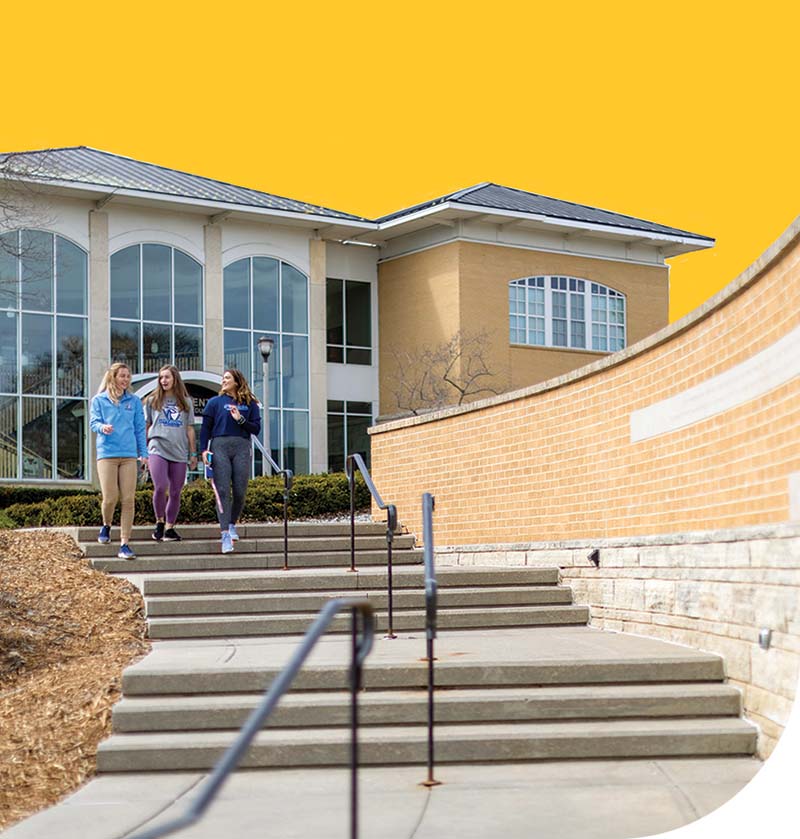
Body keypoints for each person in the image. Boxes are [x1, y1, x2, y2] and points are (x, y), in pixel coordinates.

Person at [89, 362, 148, 559]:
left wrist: (144, 453)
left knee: (128, 499)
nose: (125, 379)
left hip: (129, 455)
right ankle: (106, 525)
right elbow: (93, 422)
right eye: (122, 376)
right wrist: (102, 427)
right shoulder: (99, 400)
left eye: (128, 376)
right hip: (107, 454)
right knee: (110, 497)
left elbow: (140, 428)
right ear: (113, 377)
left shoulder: (134, 401)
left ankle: (124, 543)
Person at [200, 369, 261, 553]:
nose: (223, 381)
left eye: (227, 378)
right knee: (223, 490)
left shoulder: (251, 404)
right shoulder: (214, 403)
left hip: (242, 446)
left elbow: (255, 429)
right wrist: (204, 450)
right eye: (223, 378)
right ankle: (225, 533)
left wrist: (240, 419)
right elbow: (205, 429)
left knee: (241, 490)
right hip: (220, 446)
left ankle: (232, 522)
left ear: (236, 381)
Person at [144, 365, 198, 542]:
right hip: (157, 446)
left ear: (175, 379)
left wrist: (193, 453)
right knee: (160, 486)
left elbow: (190, 428)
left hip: (179, 451)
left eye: (167, 377)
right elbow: (147, 426)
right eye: (161, 377)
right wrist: (143, 451)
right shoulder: (153, 400)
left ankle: (170, 527)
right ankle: (159, 521)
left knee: (175, 491)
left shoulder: (186, 402)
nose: (163, 381)